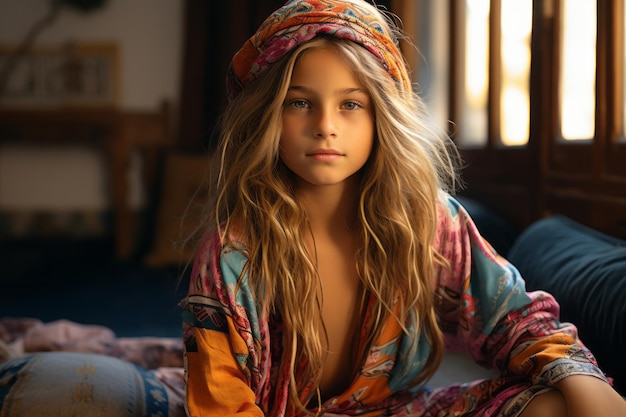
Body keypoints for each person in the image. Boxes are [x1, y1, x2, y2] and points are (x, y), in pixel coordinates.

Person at [179, 1, 626, 416]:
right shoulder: (234, 251)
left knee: (553, 405)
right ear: (267, 116)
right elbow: (221, 400)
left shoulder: (427, 220)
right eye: (299, 103)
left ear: (381, 117)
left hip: (397, 411)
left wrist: (578, 377)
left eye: (351, 104)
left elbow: (509, 317)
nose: (326, 127)